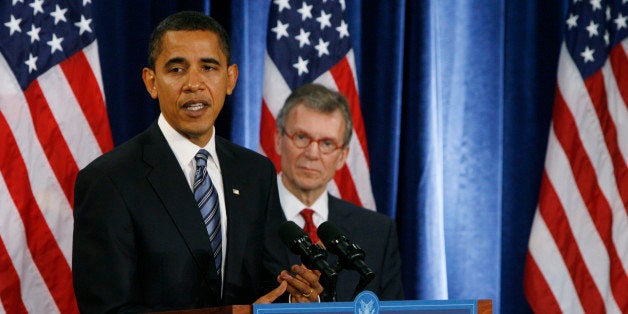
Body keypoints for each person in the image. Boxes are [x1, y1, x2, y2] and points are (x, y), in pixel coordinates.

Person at [72, 11, 321, 312]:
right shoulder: (109, 181)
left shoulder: (255, 172)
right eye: (176, 69)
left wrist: (296, 297)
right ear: (151, 82)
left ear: (230, 79)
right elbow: (108, 310)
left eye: (208, 67)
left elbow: (268, 283)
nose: (194, 83)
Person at [273, 83, 404, 301]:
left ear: (342, 156)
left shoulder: (378, 232)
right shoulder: (247, 219)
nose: (312, 153)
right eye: (302, 137)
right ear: (279, 140)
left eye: (327, 143)